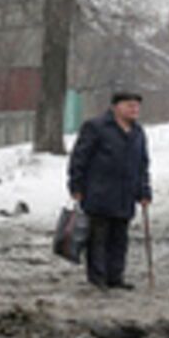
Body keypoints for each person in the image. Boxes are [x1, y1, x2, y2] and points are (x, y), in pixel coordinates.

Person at [67, 91, 152, 290]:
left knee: (119, 238)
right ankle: (98, 278)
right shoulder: (96, 127)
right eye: (129, 105)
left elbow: (142, 165)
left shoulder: (138, 132)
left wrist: (144, 191)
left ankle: (116, 277)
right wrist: (76, 185)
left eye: (137, 106)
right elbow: (79, 158)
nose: (134, 109)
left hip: (125, 195)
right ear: (116, 107)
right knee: (98, 239)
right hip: (98, 192)